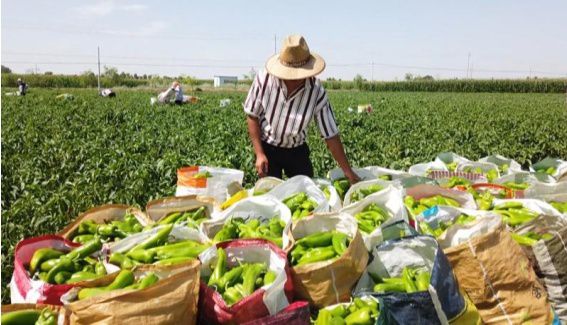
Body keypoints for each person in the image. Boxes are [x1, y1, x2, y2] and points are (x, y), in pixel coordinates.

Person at [244, 34, 359, 184]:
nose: (296, 78)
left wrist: (347, 171)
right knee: (270, 193)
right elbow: (252, 115)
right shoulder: (264, 79)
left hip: (296, 150)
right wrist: (259, 153)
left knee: (307, 190)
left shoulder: (316, 90)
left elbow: (330, 134)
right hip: (268, 148)